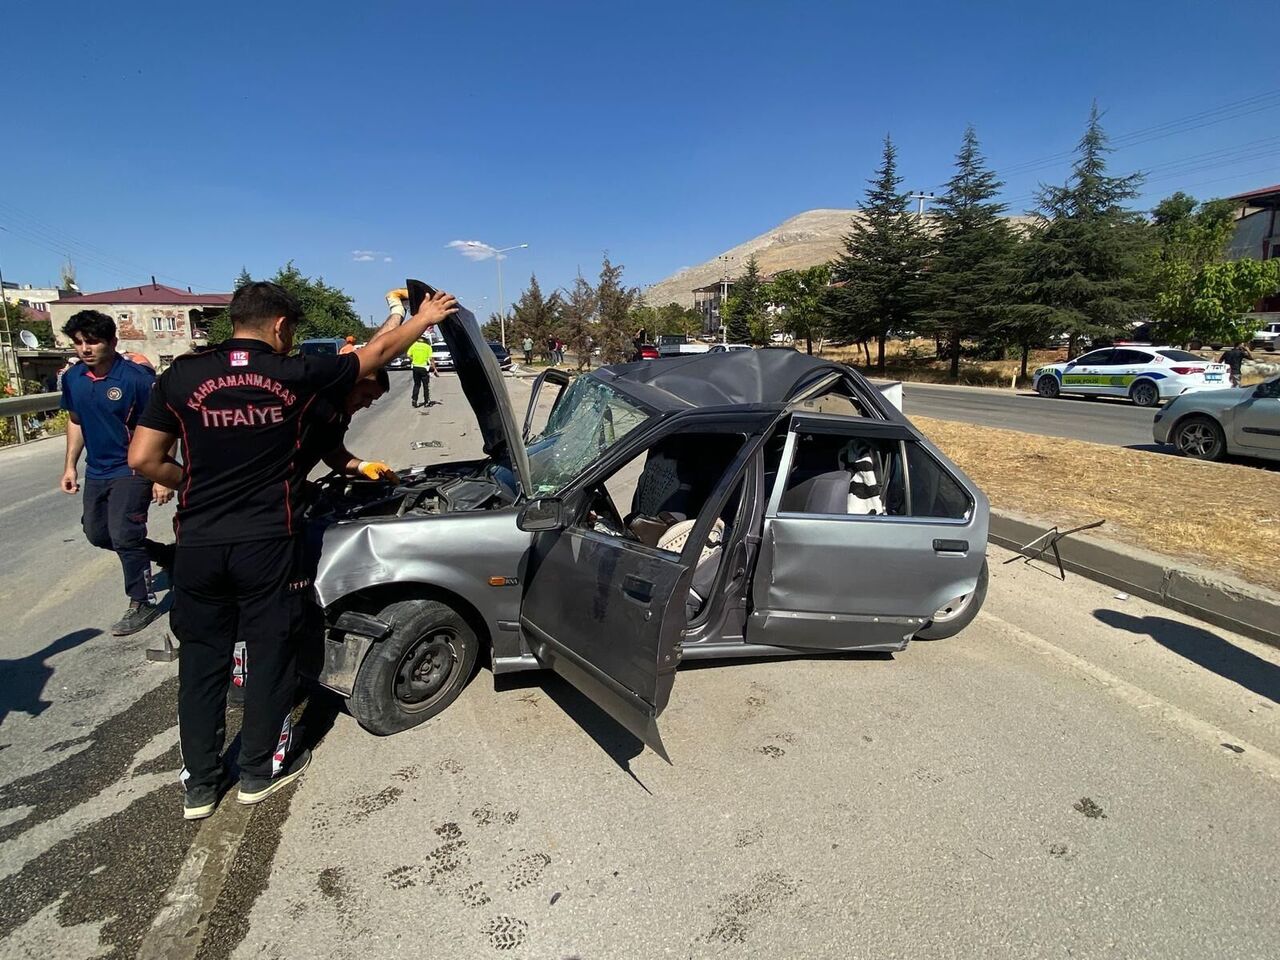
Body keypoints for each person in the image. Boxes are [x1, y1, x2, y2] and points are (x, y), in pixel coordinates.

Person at [128, 280, 457, 820]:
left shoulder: (180, 376)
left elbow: (143, 458)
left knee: (201, 662)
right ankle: (259, 772)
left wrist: (197, 483)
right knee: (271, 654)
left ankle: (200, 785)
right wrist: (423, 318)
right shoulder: (294, 374)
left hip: (200, 544)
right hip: (265, 543)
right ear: (281, 327)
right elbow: (371, 356)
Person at [58, 310, 173, 636]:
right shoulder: (74, 378)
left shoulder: (136, 379)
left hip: (133, 467)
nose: (85, 349)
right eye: (79, 343)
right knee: (97, 533)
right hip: (97, 470)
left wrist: (162, 475)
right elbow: (76, 421)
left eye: (92, 341)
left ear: (112, 341)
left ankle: (142, 602)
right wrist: (70, 465)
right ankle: (164, 554)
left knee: (124, 534)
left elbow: (167, 426)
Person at [408, 335, 437, 408]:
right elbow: (431, 359)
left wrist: (413, 359)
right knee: (426, 385)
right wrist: (434, 368)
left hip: (415, 367)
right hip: (424, 368)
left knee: (417, 384)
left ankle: (414, 400)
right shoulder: (427, 347)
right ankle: (427, 402)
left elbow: (408, 355)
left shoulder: (414, 345)